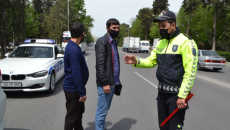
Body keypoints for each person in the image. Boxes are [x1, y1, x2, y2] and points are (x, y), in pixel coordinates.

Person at [124, 10, 198, 130]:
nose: (161, 29)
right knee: (163, 127)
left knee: (174, 128)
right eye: (159, 26)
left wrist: (183, 95)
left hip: (176, 96)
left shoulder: (186, 42)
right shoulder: (160, 43)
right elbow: (151, 61)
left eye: (164, 26)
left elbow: (190, 71)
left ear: (173, 25)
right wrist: (137, 61)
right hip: (162, 94)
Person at [95, 18, 121, 130]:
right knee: (101, 111)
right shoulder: (102, 41)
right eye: (114, 28)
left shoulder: (113, 42)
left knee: (105, 110)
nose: (116, 30)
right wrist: (105, 83)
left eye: (118, 28)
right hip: (106, 84)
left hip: (113, 83)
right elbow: (100, 65)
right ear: (107, 28)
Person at [63, 22, 89, 130]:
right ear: (82, 34)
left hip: (75, 88)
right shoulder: (74, 50)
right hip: (74, 90)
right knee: (71, 117)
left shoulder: (72, 46)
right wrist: (82, 92)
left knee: (78, 115)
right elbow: (76, 72)